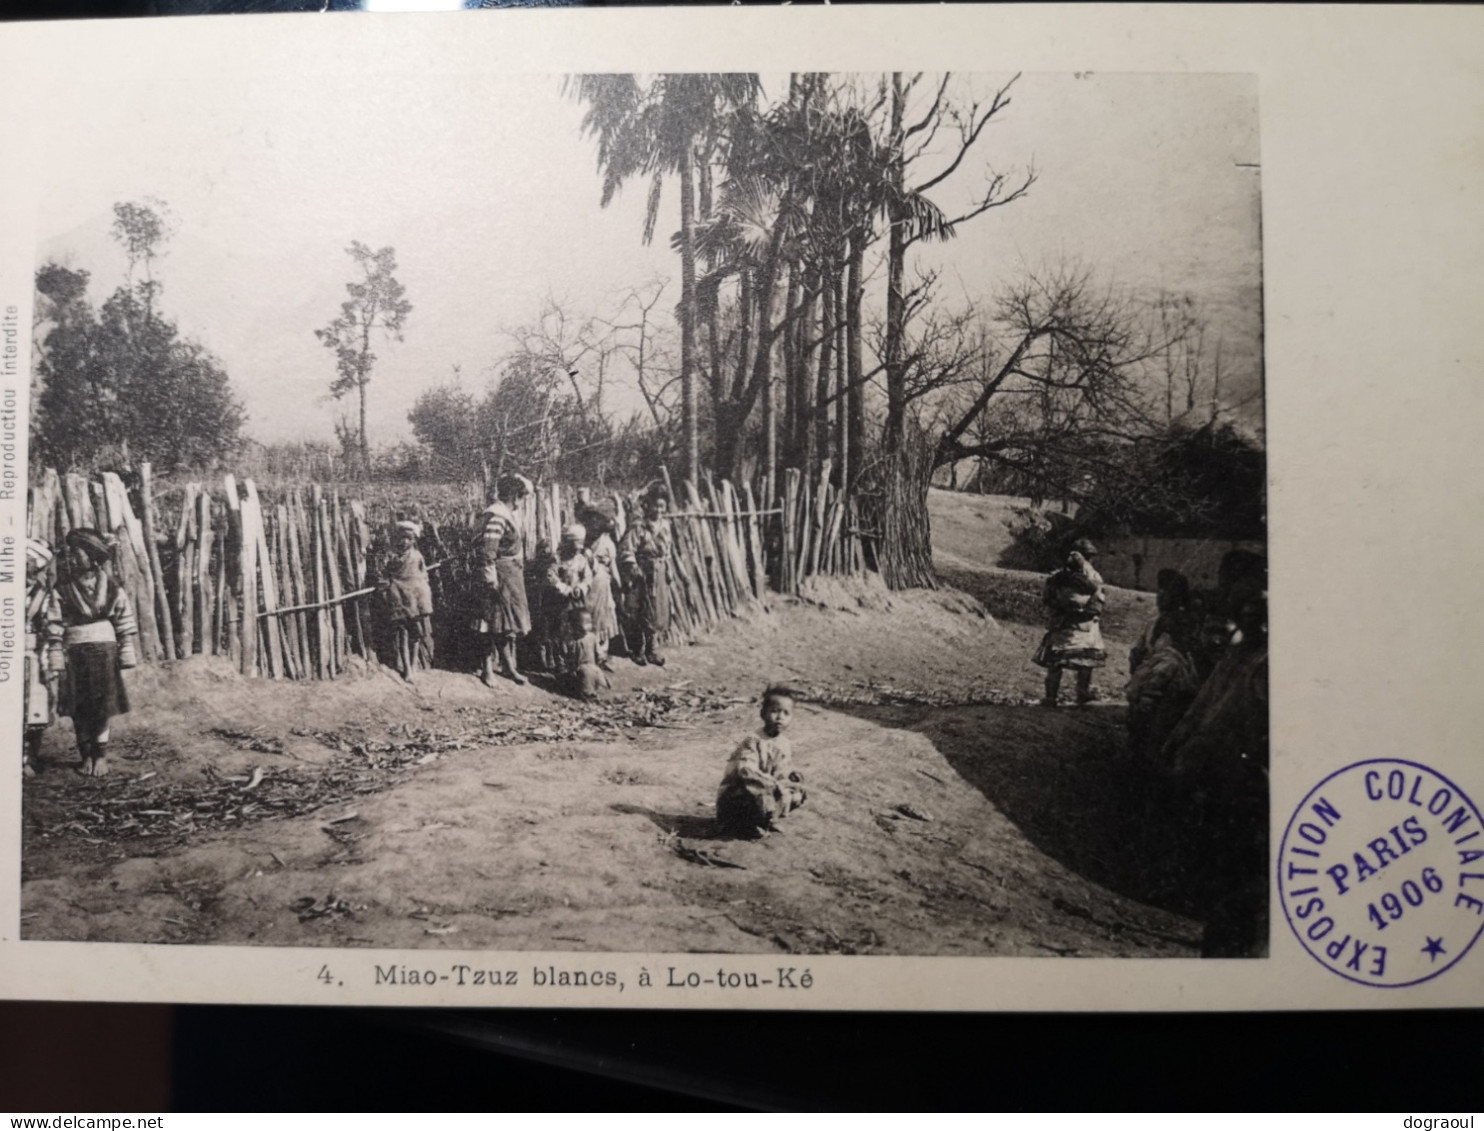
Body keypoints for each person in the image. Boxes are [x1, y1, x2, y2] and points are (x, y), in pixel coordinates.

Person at [1161, 553, 1269, 957]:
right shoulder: (1236, 655)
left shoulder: (1271, 662)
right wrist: (1180, 742)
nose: (1255, 618)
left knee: (1246, 878)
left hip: (1250, 784)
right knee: (1216, 863)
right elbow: (1205, 705)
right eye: (1247, 610)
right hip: (1214, 775)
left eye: (1262, 611)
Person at [56, 528, 139, 777]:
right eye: (69, 553)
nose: (71, 558)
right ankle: (85, 756)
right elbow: (54, 623)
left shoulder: (112, 589)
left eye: (77, 553)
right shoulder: (62, 589)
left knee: (102, 706)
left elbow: (124, 623)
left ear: (93, 556)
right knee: (78, 707)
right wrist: (56, 655)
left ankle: (100, 755)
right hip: (75, 653)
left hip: (104, 651)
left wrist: (126, 653)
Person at [1125, 569, 1200, 760]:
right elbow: (1139, 651)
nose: (1160, 597)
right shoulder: (1153, 623)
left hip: (1170, 689)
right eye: (1159, 592)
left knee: (1159, 738)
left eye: (1166, 593)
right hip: (1146, 685)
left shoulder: (1185, 624)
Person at [716, 685, 807, 838]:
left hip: (766, 787)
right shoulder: (753, 740)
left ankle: (768, 819)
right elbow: (746, 771)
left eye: (786, 713)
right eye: (775, 711)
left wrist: (791, 776)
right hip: (740, 792)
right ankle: (745, 824)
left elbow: (781, 770)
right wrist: (774, 785)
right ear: (763, 714)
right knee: (761, 797)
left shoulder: (784, 743)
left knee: (797, 792)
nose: (780, 718)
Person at [1032, 538, 1107, 706]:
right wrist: (1085, 611)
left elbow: (1048, 598)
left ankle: (1051, 697)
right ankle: (1081, 694)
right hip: (1083, 624)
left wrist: (1062, 609)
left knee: (1056, 662)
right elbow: (1098, 599)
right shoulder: (1094, 577)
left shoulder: (1056, 578)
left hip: (1063, 622)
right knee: (1085, 661)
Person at [474, 474, 533, 687]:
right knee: (491, 624)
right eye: (522, 497)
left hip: (511, 576)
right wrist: (490, 579)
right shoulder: (497, 516)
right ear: (515, 496)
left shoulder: (506, 515)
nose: (521, 502)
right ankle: (487, 670)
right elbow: (488, 550)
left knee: (508, 625)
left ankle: (508, 667)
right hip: (498, 577)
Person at [618, 485, 674, 667]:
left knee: (656, 611)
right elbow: (627, 549)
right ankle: (637, 650)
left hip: (659, 572)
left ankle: (653, 649)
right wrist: (634, 568)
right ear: (648, 505)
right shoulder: (638, 526)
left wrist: (669, 569)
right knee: (639, 609)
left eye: (662, 507)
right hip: (642, 573)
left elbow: (669, 551)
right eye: (655, 506)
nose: (658, 510)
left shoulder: (665, 526)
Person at [23, 538, 65, 777]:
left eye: (35, 568)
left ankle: (27, 757)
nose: (31, 572)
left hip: (31, 656)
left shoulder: (42, 594)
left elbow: (53, 625)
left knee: (34, 707)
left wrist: (52, 661)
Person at [378, 520, 434, 681]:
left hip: (416, 601)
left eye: (409, 538)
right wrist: (386, 588)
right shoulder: (392, 557)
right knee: (402, 633)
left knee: (416, 633)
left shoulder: (417, 556)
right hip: (400, 600)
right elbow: (384, 577)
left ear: (413, 540)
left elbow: (424, 575)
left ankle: (414, 662)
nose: (405, 541)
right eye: (402, 538)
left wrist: (423, 593)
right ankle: (407, 669)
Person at [546, 521, 594, 682]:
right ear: (568, 542)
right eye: (576, 542)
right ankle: (560, 666)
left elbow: (587, 577)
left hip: (576, 603)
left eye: (581, 543)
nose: (579, 547)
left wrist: (581, 587)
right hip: (559, 603)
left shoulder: (581, 559)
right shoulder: (557, 558)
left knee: (576, 631)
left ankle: (575, 664)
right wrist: (565, 589)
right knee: (559, 633)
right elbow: (550, 577)